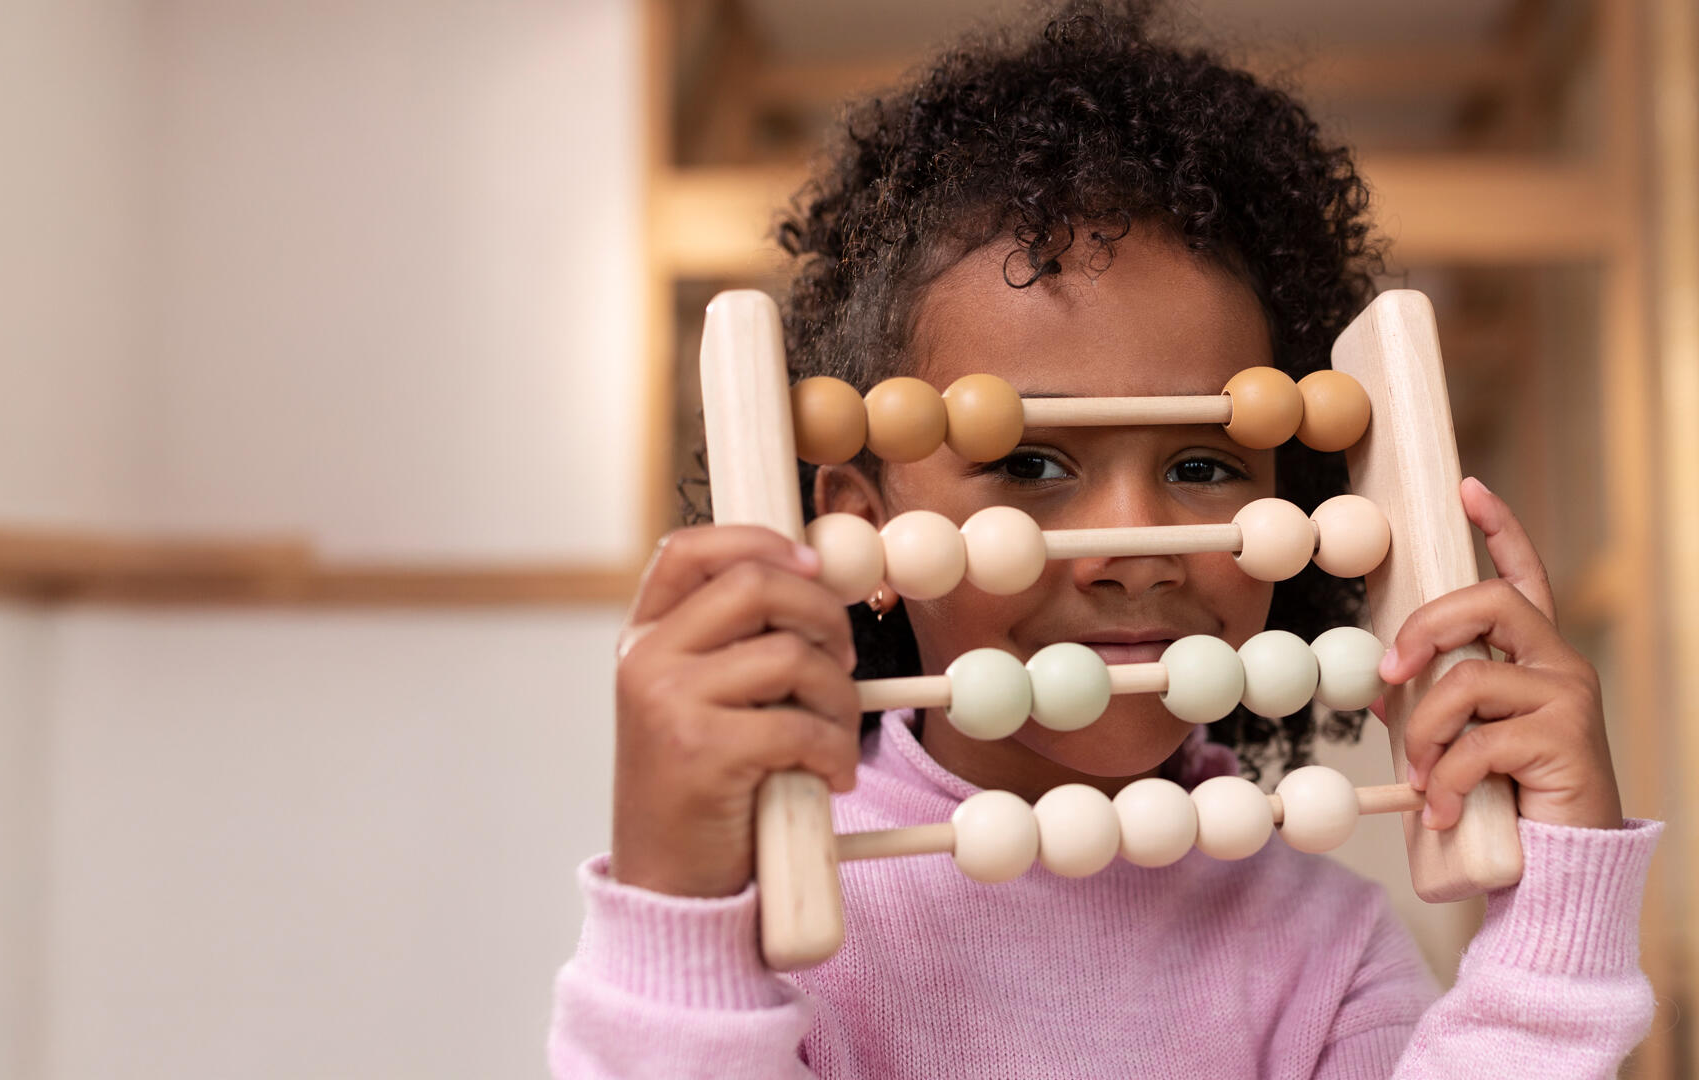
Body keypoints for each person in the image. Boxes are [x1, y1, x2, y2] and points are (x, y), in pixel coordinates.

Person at [550, 3, 1660, 1076]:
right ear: (862, 524)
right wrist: (675, 910)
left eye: (1202, 465)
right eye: (1030, 465)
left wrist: (1554, 925)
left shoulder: (1321, 947)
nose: (1129, 546)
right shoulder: (769, 922)